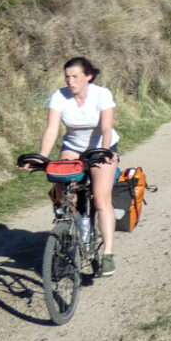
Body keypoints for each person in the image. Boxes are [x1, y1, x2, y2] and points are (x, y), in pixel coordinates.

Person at [28, 57, 120, 276]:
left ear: (88, 76)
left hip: (101, 146)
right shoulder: (59, 96)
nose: (70, 81)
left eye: (75, 76)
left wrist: (104, 151)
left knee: (100, 199)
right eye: (67, 76)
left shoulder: (101, 94)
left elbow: (107, 128)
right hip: (73, 147)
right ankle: (68, 237)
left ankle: (107, 254)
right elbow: (52, 129)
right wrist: (41, 157)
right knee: (65, 196)